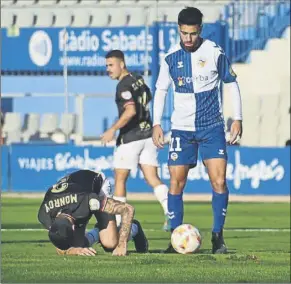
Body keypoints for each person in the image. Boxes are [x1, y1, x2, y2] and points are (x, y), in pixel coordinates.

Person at [152, 7, 243, 254]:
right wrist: (156, 122)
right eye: (184, 34)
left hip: (211, 127)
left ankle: (217, 237)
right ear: (178, 31)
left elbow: (232, 83)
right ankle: (175, 237)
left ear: (200, 30)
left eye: (192, 34)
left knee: (219, 180)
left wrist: (237, 118)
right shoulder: (170, 57)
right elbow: (160, 90)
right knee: (176, 183)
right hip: (181, 130)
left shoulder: (214, 52)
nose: (188, 39)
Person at [101, 50, 170, 231]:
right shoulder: (138, 79)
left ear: (121, 64)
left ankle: (116, 223)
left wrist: (112, 129)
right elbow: (148, 96)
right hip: (147, 136)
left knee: (120, 179)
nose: (108, 69)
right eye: (106, 65)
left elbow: (130, 111)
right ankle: (171, 213)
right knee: (153, 178)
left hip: (131, 138)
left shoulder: (123, 86)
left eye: (111, 65)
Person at [38, 169, 148, 256]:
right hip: (75, 192)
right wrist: (73, 250)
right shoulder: (45, 215)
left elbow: (128, 209)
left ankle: (135, 227)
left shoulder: (87, 201)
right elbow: (60, 244)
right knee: (80, 246)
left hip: (96, 185)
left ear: (73, 227)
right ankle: (99, 230)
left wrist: (122, 245)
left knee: (110, 243)